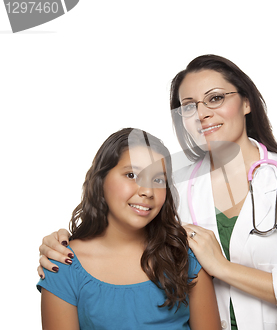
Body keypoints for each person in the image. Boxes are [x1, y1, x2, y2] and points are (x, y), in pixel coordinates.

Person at [37, 55, 277, 330]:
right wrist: (63, 241)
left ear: (246, 102)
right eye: (188, 106)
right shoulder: (169, 187)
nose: (202, 113)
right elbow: (118, 230)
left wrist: (223, 268)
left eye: (215, 98)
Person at [37, 128, 220, 330]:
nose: (148, 191)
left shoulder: (185, 256)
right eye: (132, 174)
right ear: (101, 180)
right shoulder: (64, 264)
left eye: (158, 180)